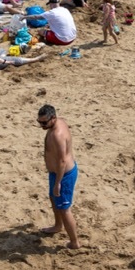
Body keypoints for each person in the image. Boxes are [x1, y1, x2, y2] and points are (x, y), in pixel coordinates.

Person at [39, 104, 80, 248]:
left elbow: (62, 161)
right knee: (53, 198)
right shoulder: (58, 122)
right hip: (55, 173)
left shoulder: (58, 135)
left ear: (53, 118)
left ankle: (74, 242)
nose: (41, 125)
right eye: (39, 122)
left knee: (64, 209)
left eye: (44, 122)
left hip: (63, 176)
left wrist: (58, 183)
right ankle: (57, 226)